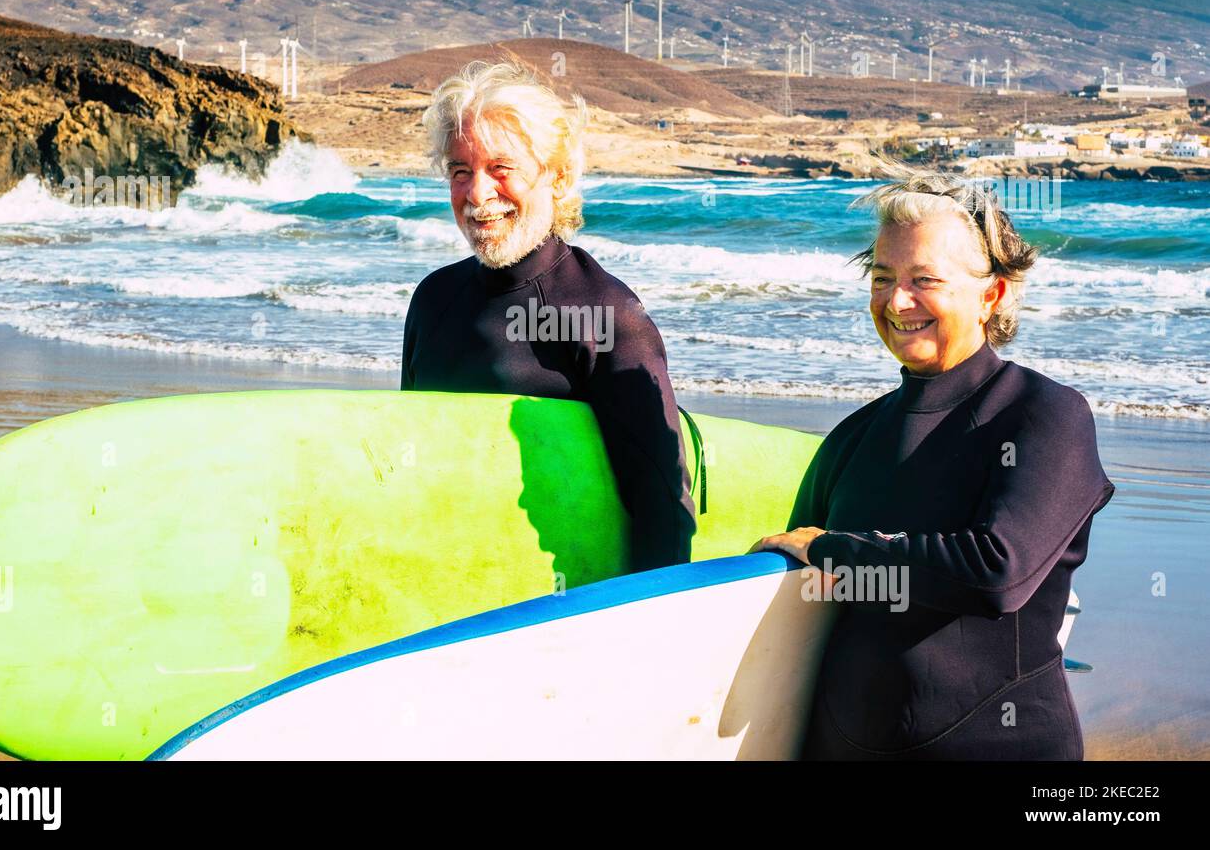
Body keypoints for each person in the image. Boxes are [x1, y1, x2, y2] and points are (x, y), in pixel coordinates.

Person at [750, 162, 1115, 760]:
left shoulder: (1044, 416)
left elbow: (997, 573)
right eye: (881, 276)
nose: (897, 300)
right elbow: (800, 600)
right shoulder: (854, 436)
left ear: (990, 293)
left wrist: (833, 547)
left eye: (925, 279)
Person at [402, 57, 696, 572]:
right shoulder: (433, 299)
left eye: (501, 168)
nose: (477, 194)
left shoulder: (606, 315)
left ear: (556, 177)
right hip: (441, 585)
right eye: (460, 171)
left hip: (543, 606)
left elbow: (664, 514)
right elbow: (409, 459)